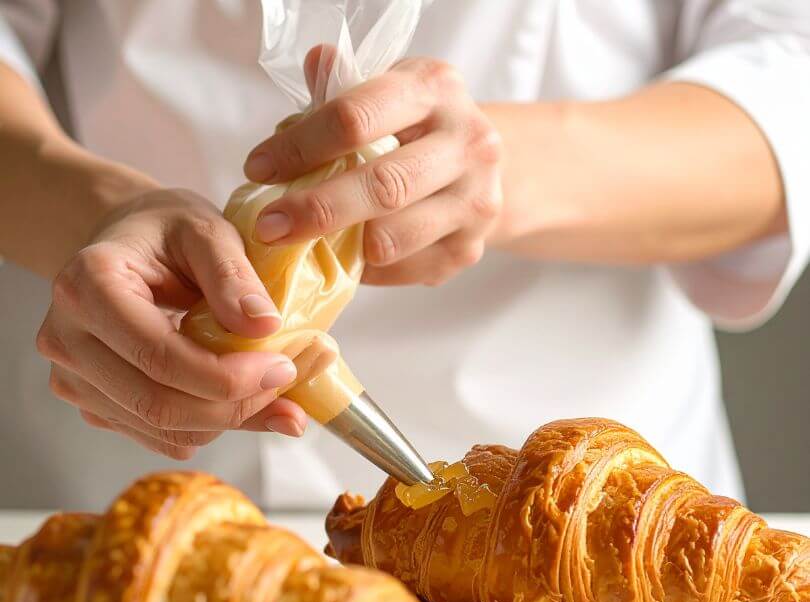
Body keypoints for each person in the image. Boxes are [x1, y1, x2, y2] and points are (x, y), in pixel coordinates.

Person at [1, 0, 808, 511]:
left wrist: (496, 169)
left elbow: (789, 83)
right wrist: (98, 214)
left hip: (585, 513)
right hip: (119, 490)